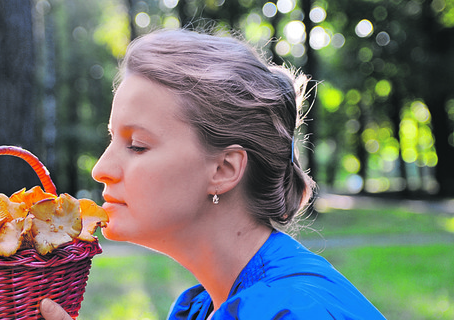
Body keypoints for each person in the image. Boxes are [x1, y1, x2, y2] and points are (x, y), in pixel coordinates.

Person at [41, 28, 386, 319]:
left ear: (224, 169)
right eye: (112, 139)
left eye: (137, 145)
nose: (101, 169)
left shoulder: (292, 311)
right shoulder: (198, 307)